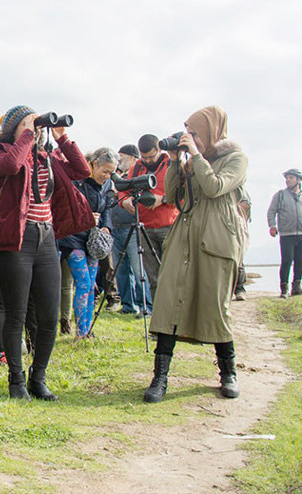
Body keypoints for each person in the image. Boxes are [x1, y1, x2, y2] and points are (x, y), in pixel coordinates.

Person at [0, 105, 93, 401]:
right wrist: (28, 134)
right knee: (16, 313)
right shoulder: (2, 153)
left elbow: (83, 171)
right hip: (14, 240)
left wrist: (62, 138)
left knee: (48, 315)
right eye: (28, 125)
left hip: (45, 237)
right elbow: (11, 166)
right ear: (14, 129)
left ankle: (38, 378)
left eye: (36, 126)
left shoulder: (47, 158)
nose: (36, 130)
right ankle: (16, 380)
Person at [144, 105, 248, 403]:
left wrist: (196, 157)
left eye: (194, 133)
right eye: (187, 132)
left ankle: (228, 373)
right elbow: (173, 195)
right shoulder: (190, 161)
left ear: (210, 132)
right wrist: (174, 161)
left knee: (215, 305)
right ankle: (160, 377)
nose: (189, 137)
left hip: (216, 238)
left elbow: (215, 187)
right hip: (185, 235)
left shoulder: (236, 158)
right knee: (169, 301)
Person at [58, 148, 116, 339]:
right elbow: (65, 206)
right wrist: (85, 216)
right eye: (105, 171)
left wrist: (106, 226)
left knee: (91, 285)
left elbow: (107, 208)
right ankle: (81, 332)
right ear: (94, 164)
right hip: (72, 238)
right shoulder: (77, 180)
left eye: (111, 173)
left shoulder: (107, 185)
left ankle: (86, 329)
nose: (107, 176)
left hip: (93, 241)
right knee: (83, 283)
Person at [118, 134, 179, 306]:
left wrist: (164, 199)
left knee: (172, 273)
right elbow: (124, 189)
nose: (147, 161)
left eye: (151, 157)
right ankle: (158, 314)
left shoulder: (171, 165)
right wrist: (125, 201)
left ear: (159, 150)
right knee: (153, 276)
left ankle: (175, 315)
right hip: (145, 228)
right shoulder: (137, 167)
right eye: (144, 157)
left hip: (168, 226)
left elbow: (184, 195)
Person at [111, 144, 152, 315]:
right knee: (121, 270)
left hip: (133, 228)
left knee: (138, 269)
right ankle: (128, 305)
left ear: (132, 158)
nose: (119, 160)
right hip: (116, 227)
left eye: (122, 157)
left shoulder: (139, 177)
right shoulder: (119, 178)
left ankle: (146, 306)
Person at [267, 168, 302, 298]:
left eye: (290, 178)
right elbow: (271, 211)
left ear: (298, 180)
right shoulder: (280, 195)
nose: (287, 180)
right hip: (286, 234)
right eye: (286, 178)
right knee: (287, 260)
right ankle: (284, 288)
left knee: (299, 261)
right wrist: (272, 226)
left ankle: (297, 287)